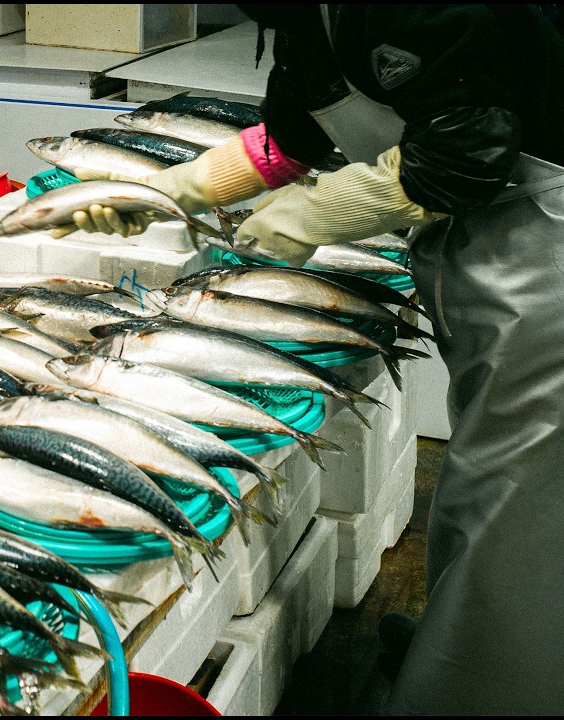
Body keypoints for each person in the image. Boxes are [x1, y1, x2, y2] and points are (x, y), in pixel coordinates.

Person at [74, 4, 564, 714]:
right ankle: (462, 641)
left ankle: (476, 690)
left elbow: (466, 151)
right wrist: (164, 190)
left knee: (524, 507)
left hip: (545, 243)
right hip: (490, 248)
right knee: (487, 468)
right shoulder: (310, 16)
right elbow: (290, 141)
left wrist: (321, 213)